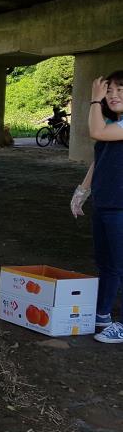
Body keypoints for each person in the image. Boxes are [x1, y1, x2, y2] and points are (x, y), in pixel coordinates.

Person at [71, 71, 123, 343]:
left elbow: (96, 131)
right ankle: (102, 315)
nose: (113, 95)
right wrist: (83, 190)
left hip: (120, 206)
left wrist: (94, 101)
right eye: (110, 91)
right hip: (106, 203)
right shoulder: (115, 126)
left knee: (120, 264)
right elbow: (98, 159)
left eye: (119, 90)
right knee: (107, 264)